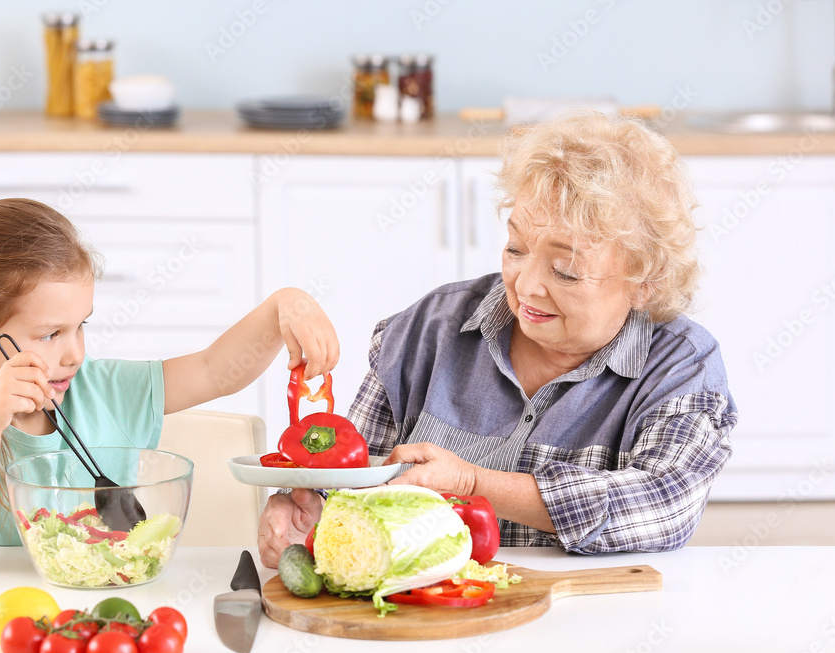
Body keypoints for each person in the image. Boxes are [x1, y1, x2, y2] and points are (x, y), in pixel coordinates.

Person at [258, 112, 738, 567]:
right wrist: (305, 515)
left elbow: (664, 504)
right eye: (516, 248)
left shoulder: (681, 366)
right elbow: (347, 480)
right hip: (426, 615)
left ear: (643, 282)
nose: (527, 286)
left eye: (565, 271)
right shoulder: (429, 330)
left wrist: (472, 481)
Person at [0, 198, 339, 570]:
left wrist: (285, 304)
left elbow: (213, 370)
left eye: (80, 326)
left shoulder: (102, 388)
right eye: (51, 334)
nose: (75, 354)